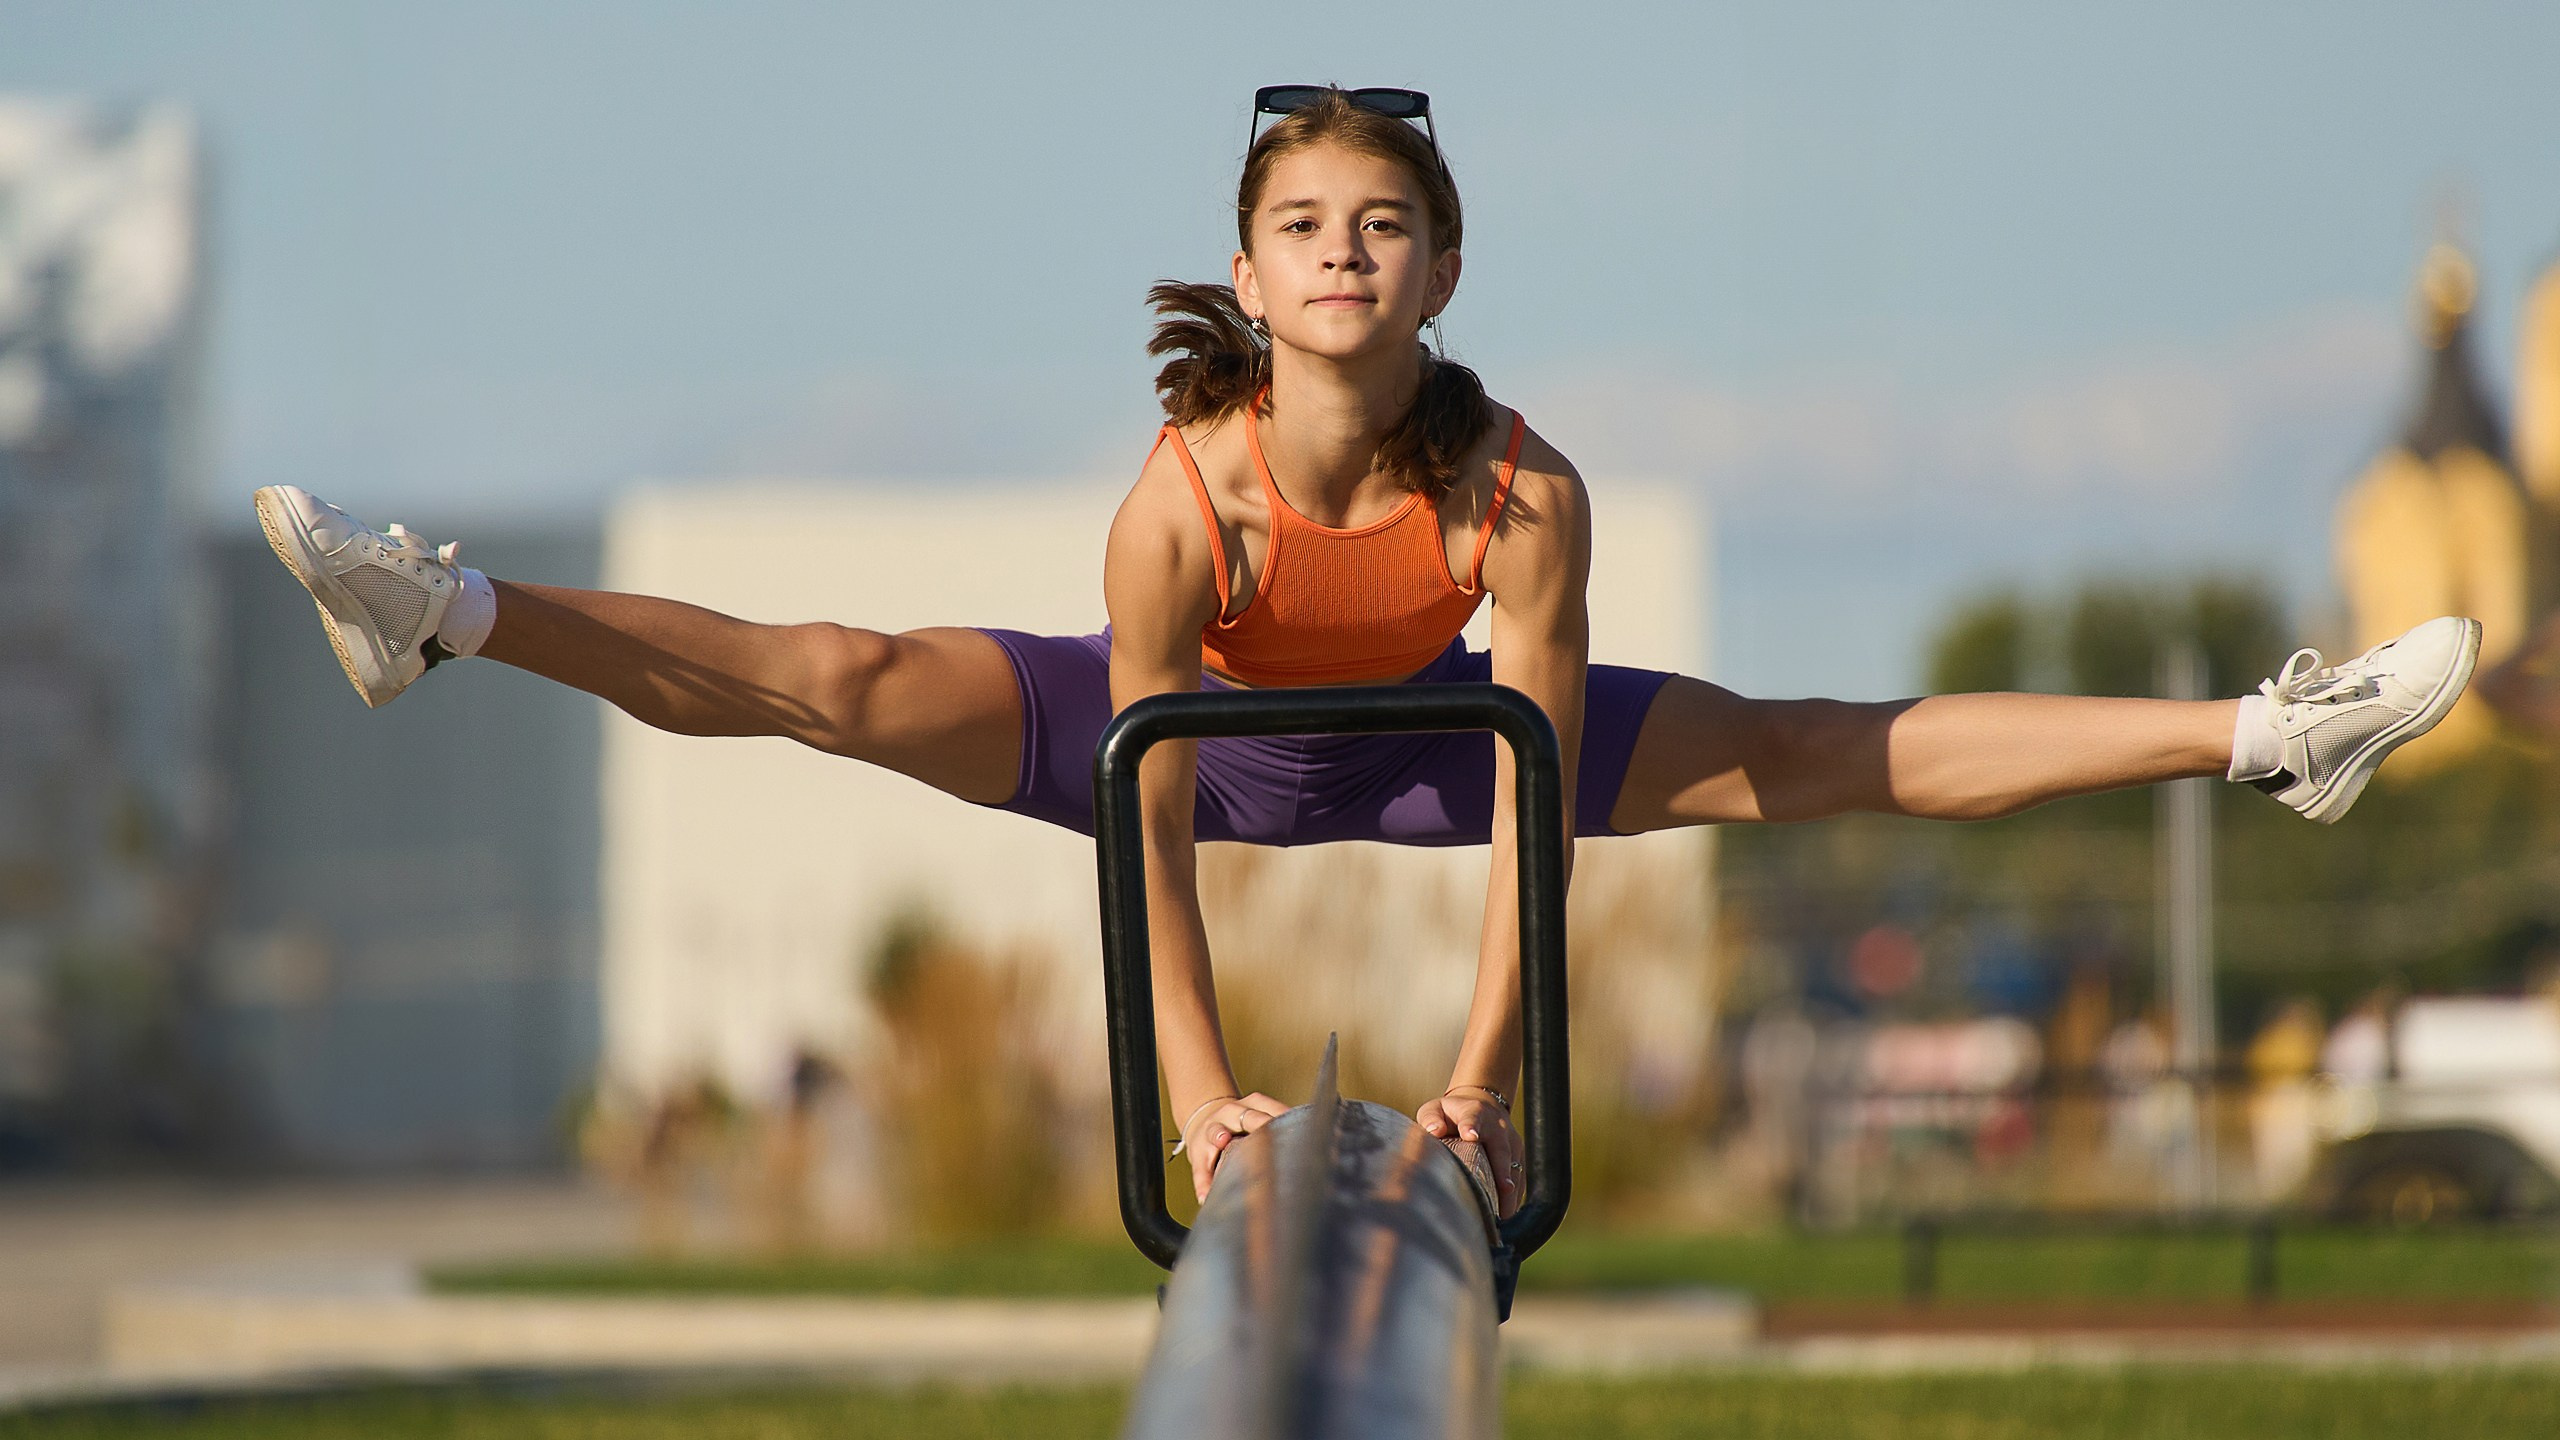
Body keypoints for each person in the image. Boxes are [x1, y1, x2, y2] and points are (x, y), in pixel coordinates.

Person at [249, 87, 2481, 1220]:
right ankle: (438, 613)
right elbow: (1141, 841)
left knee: (1814, 745)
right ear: (1246, 264)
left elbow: (1530, 811)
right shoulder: (1177, 499)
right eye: (1302, 228)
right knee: (828, 672)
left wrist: (1489, 1083)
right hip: (1200, 750)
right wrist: (1197, 1097)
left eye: (1380, 227)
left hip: (1437, 747)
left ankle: (2263, 734)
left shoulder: (1522, 493)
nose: (1340, 255)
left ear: (1433, 269)